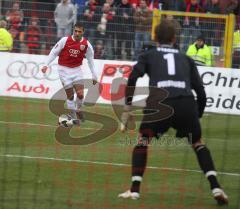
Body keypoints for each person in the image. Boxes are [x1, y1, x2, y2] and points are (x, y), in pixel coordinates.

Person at [118, 19, 228, 206]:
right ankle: (216, 187)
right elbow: (201, 93)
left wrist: (128, 106)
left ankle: (134, 190)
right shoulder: (186, 58)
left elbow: (133, 76)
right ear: (175, 38)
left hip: (159, 103)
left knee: (143, 142)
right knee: (198, 143)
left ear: (155, 38)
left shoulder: (149, 55)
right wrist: (196, 117)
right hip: (185, 104)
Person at [41, 22, 98, 123]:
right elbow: (54, 52)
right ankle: (72, 115)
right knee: (70, 96)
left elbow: (90, 61)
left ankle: (78, 109)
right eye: (75, 31)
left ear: (83, 32)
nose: (77, 33)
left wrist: (94, 75)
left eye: (79, 31)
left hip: (77, 70)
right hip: (63, 70)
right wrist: (46, 65)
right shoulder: (64, 40)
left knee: (80, 94)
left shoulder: (86, 45)